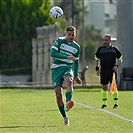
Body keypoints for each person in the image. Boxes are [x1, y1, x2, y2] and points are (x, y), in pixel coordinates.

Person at [50, 26, 82, 125]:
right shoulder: (59, 41)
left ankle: (68, 102)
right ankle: (65, 117)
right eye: (69, 34)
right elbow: (53, 53)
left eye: (73, 34)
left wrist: (76, 76)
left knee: (69, 81)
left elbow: (76, 63)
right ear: (66, 34)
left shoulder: (77, 47)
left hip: (67, 67)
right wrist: (66, 56)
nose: (71, 36)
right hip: (56, 68)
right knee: (58, 95)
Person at [95, 34, 123, 109]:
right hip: (103, 70)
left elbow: (120, 58)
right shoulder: (100, 49)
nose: (104, 41)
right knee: (104, 87)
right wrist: (97, 69)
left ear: (110, 41)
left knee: (113, 87)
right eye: (103, 40)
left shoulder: (114, 49)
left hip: (112, 70)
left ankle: (116, 104)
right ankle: (104, 104)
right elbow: (97, 59)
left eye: (106, 40)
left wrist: (116, 66)